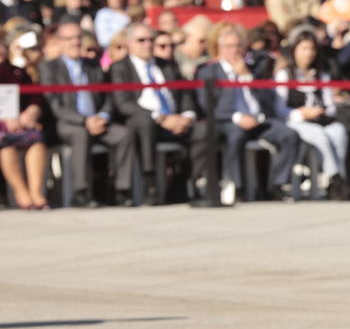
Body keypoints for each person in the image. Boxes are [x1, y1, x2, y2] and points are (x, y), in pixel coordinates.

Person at [197, 22, 301, 202]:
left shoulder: (254, 70)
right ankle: (237, 187)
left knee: (289, 135)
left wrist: (247, 77)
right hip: (230, 121)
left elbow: (268, 101)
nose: (235, 50)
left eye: (239, 46)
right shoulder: (209, 71)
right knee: (235, 135)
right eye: (229, 46)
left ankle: (278, 184)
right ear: (219, 48)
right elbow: (207, 106)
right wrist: (237, 117)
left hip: (259, 121)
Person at [40, 20, 138, 207]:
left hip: (98, 120)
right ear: (59, 42)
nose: (75, 42)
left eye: (78, 37)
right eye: (69, 38)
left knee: (124, 135)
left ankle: (121, 190)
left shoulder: (93, 65)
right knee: (81, 134)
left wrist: (104, 116)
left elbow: (108, 96)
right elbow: (55, 105)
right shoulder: (49, 67)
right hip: (69, 123)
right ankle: (81, 192)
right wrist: (85, 120)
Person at [110, 23, 207, 204]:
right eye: (141, 40)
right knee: (144, 122)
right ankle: (150, 184)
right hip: (147, 121)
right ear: (129, 43)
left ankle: (183, 184)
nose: (148, 44)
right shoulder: (120, 68)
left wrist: (187, 116)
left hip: (175, 120)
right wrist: (160, 118)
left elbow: (184, 94)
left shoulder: (167, 65)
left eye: (151, 40)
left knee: (203, 130)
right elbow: (123, 104)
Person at [275, 27, 350, 200]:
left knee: (338, 132)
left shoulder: (321, 74)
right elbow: (280, 108)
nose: (308, 53)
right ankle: (335, 179)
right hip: (295, 121)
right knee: (319, 136)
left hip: (320, 120)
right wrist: (301, 114)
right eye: (304, 49)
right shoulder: (284, 75)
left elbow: (329, 105)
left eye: (311, 49)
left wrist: (320, 112)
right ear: (294, 50)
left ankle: (337, 179)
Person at [0, 28, 49, 209]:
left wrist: (32, 112)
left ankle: (36, 193)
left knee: (36, 140)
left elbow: (35, 97)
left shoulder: (17, 72)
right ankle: (21, 192)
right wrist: (4, 119)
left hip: (21, 123)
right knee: (6, 144)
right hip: (4, 127)